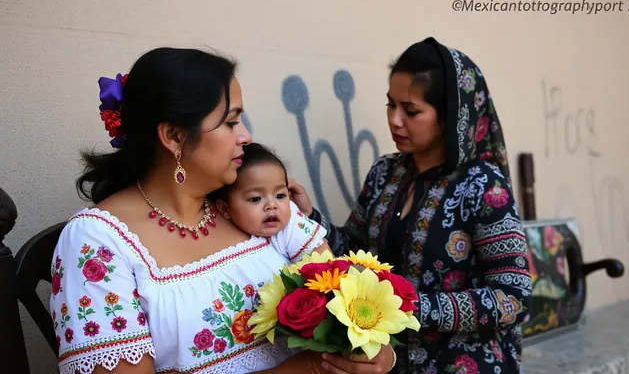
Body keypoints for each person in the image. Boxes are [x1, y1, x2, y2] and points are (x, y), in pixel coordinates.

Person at [48, 47, 395, 374]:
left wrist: (376, 352)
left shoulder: (250, 204)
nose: (245, 136)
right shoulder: (98, 242)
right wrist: (311, 367)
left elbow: (346, 298)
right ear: (173, 136)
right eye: (231, 122)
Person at [288, 37, 532, 373]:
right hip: (386, 365)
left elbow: (513, 296)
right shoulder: (385, 173)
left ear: (449, 115)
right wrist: (309, 218)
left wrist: (408, 307)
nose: (395, 120)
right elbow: (355, 251)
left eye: (411, 111)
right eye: (390, 105)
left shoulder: (482, 185)